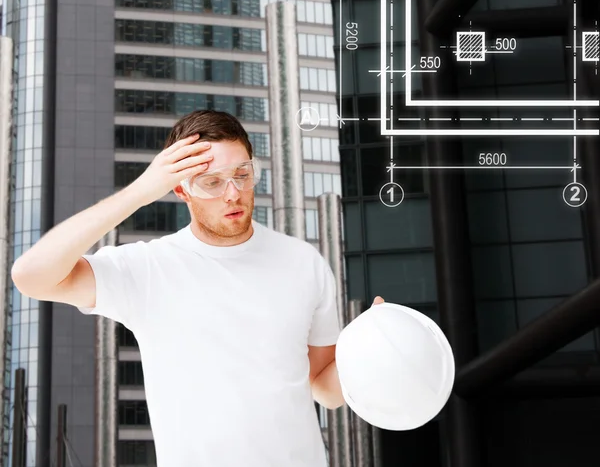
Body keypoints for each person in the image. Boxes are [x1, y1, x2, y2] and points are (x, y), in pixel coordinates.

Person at [12, 109, 383, 466]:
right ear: (180, 189)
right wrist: (140, 192)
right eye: (212, 182)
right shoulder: (148, 268)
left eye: (242, 174)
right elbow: (32, 276)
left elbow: (323, 387)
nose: (233, 193)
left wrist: (370, 347)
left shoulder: (304, 262)